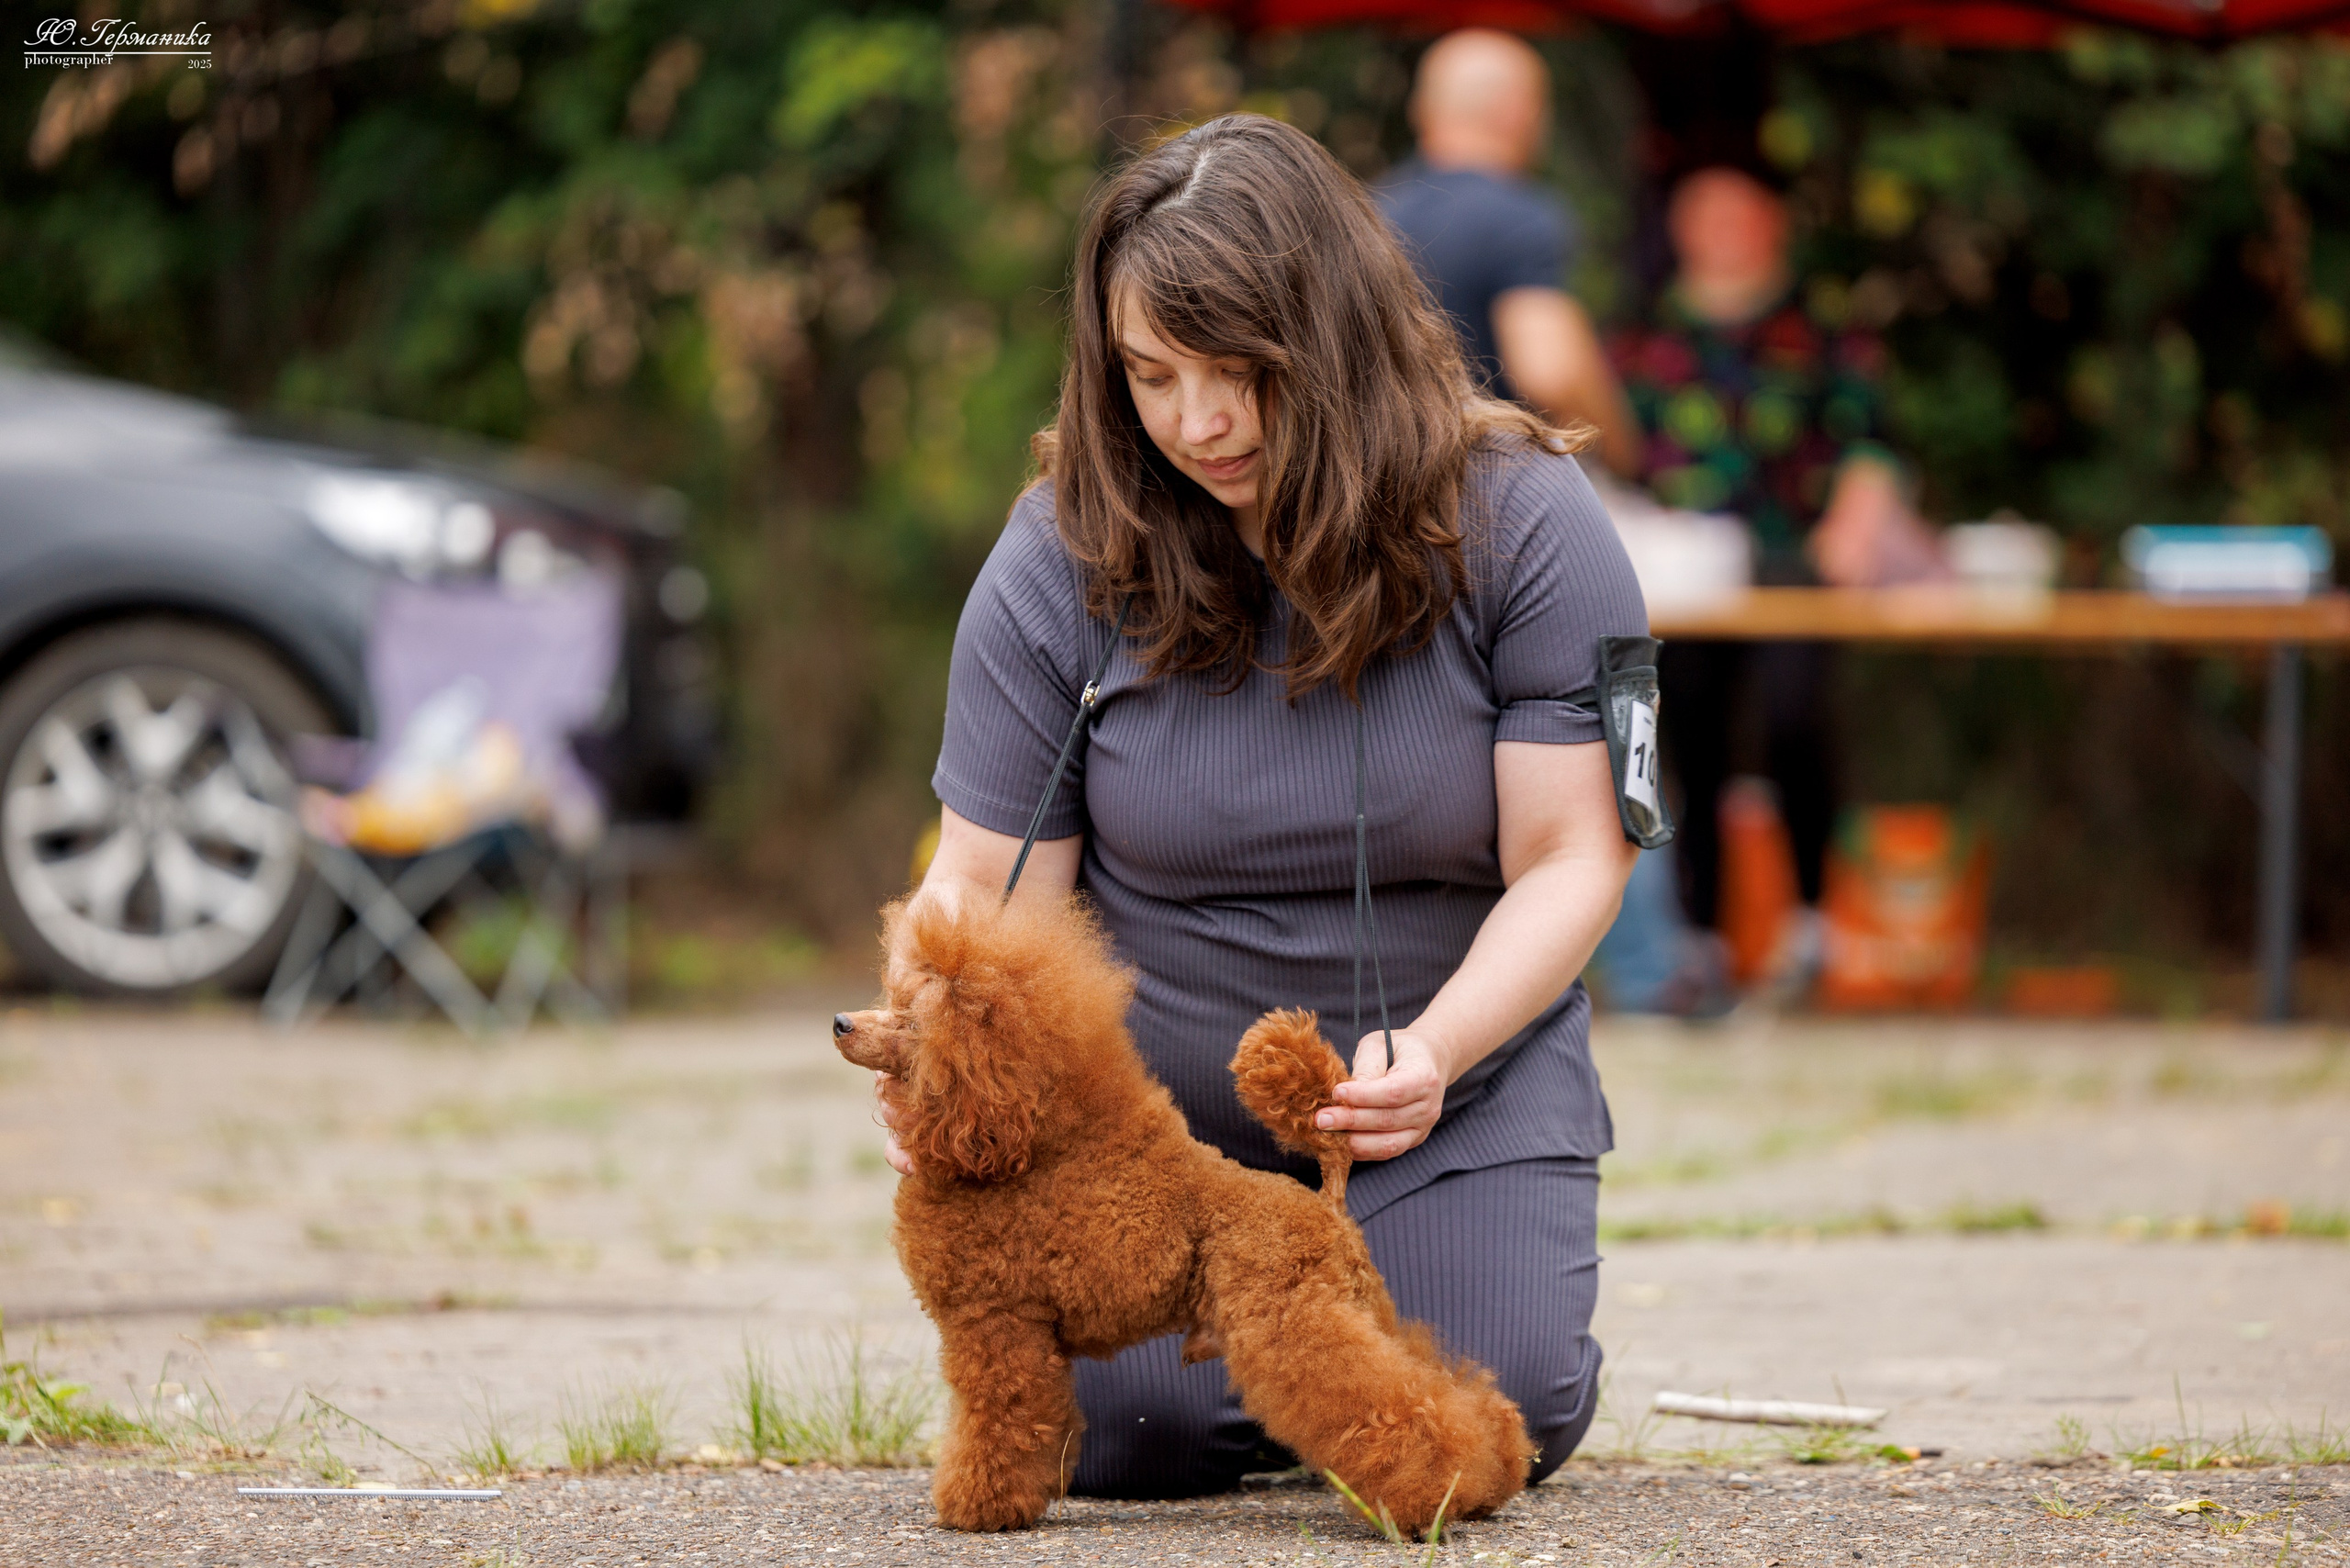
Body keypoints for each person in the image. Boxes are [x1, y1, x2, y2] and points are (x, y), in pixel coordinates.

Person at [884, 115, 1645, 1498]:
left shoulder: (1530, 520)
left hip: (1445, 1088)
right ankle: (1299, 1375)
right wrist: (932, 1015)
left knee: (1506, 1397)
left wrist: (1433, 1053)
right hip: (1148, 1143)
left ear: (1339, 336)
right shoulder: (1058, 554)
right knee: (1119, 1438)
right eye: (1153, 376)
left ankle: (1345, 1343)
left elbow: (1574, 856)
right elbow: (988, 887)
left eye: (1240, 373)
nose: (1198, 423)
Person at [1613, 163, 1920, 999]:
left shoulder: (1821, 327)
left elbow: (1873, 442)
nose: (1720, 231)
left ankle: (1813, 923)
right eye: (1702, 213)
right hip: (1685, 564)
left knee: (1794, 722)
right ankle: (1703, 940)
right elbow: (1610, 445)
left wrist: (1856, 523)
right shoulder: (1645, 333)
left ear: (1772, 223)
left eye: (1737, 214)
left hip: (1797, 559)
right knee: (1694, 743)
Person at [1376, 29, 1642, 478]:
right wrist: (1623, 453)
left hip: (1382, 484)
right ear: (1517, 112)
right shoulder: (1519, 215)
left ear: (1422, 109)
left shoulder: (1370, 210)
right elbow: (1550, 372)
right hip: (1485, 487)